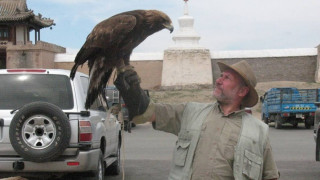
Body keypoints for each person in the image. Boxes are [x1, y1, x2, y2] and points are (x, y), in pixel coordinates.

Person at [114, 60, 279, 180]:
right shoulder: (190, 112)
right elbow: (149, 113)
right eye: (220, 76)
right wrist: (133, 91)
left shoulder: (259, 131)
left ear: (242, 91)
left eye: (227, 78)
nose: (218, 80)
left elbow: (270, 176)